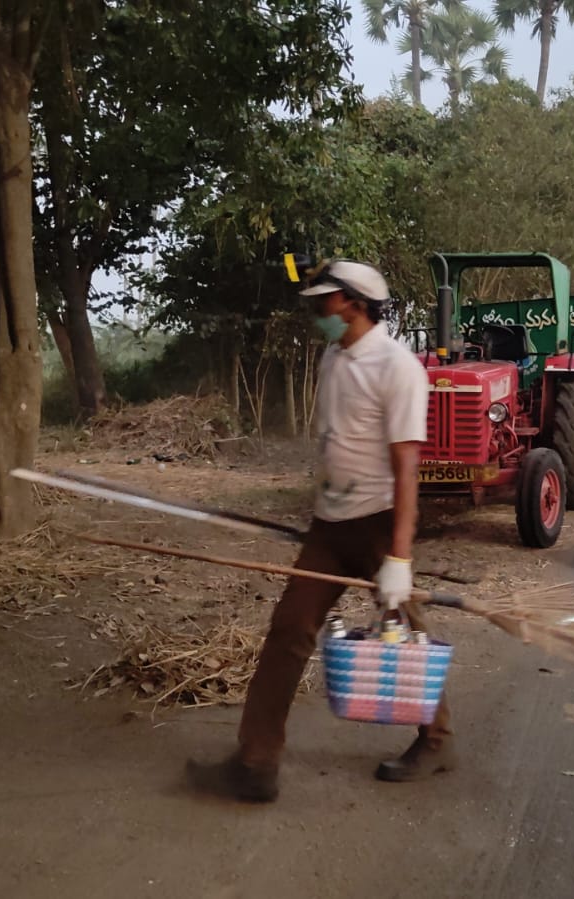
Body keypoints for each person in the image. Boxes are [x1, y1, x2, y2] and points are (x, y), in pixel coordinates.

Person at [188, 259, 441, 803]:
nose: (317, 309)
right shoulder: (333, 355)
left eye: (325, 300)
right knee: (289, 630)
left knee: (405, 636)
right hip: (328, 525)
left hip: (378, 523)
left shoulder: (397, 367)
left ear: (354, 303)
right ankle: (256, 763)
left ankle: (437, 740)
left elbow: (407, 469)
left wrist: (399, 559)